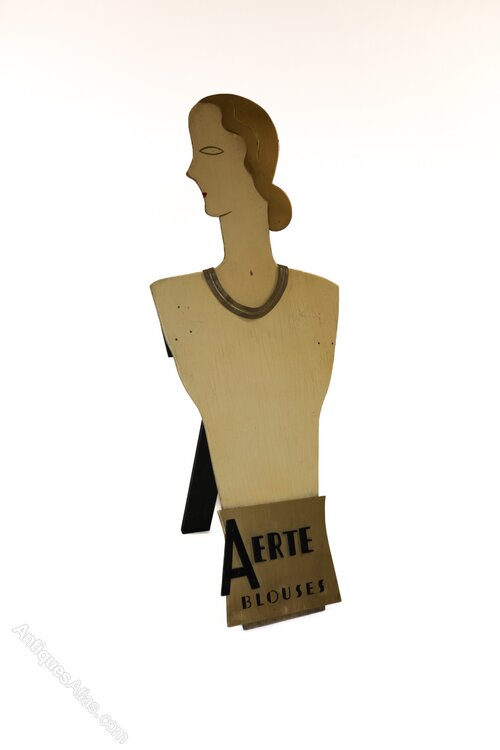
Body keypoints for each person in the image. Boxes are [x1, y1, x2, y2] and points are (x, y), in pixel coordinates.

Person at [150, 93, 340, 510]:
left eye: (210, 152)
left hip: (293, 520)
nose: (191, 170)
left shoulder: (320, 298)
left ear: (254, 163)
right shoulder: (176, 300)